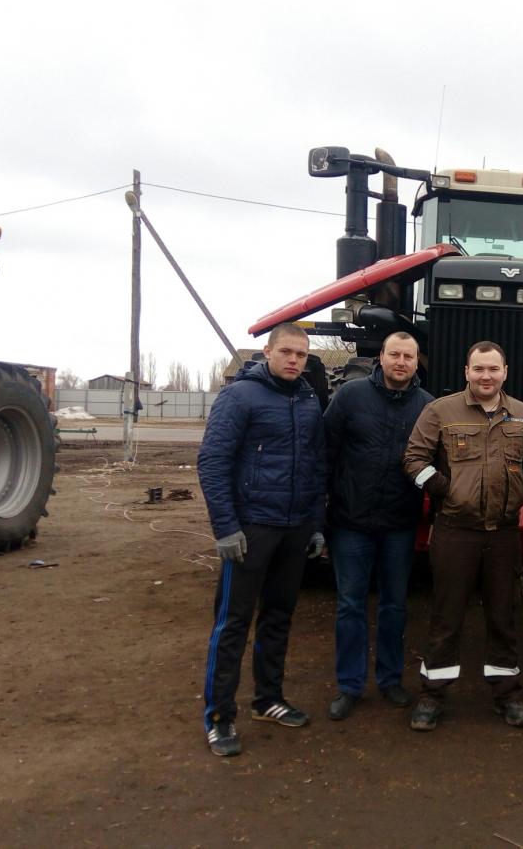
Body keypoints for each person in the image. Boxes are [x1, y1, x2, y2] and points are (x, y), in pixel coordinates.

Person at [197, 322, 327, 757]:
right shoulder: (240, 397)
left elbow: (315, 466)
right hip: (251, 529)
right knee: (233, 624)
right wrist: (226, 528)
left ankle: (267, 699)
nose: (294, 360)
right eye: (287, 352)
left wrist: (316, 524)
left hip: (293, 529)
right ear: (267, 352)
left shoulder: (308, 399)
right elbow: (213, 462)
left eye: (301, 355)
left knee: (278, 617)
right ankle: (219, 716)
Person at [403, 341, 523, 732]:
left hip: (503, 536)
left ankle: (508, 694)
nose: (486, 376)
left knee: (504, 616)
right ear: (467, 372)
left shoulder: (522, 415)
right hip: (454, 532)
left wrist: (521, 488)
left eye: (493, 369)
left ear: (505, 372)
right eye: (478, 369)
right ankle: (432, 695)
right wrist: (445, 489)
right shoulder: (440, 411)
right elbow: (413, 459)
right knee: (446, 618)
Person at [324, 332, 433, 720]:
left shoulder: (427, 407)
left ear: (417, 361)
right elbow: (327, 451)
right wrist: (325, 512)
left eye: (408, 356)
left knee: (394, 606)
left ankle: (389, 680)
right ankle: (350, 685)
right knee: (350, 605)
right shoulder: (350, 397)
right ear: (381, 358)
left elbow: (435, 465)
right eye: (394, 355)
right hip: (351, 521)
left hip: (399, 524)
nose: (401, 362)